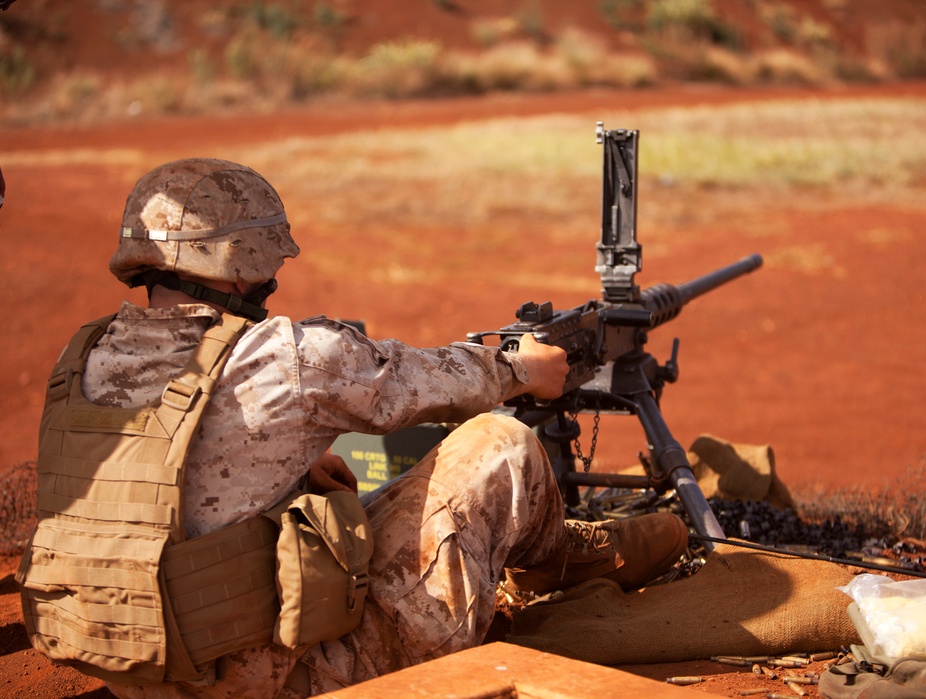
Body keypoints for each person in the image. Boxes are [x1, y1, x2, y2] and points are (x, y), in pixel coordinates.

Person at [20, 158, 688, 698]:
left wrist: (298, 468)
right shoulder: (286, 355)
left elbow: (157, 476)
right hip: (281, 679)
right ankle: (565, 561)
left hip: (136, 667)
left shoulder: (83, 355)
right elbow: (434, 379)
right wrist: (522, 366)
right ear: (242, 259)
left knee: (334, 504)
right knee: (503, 445)